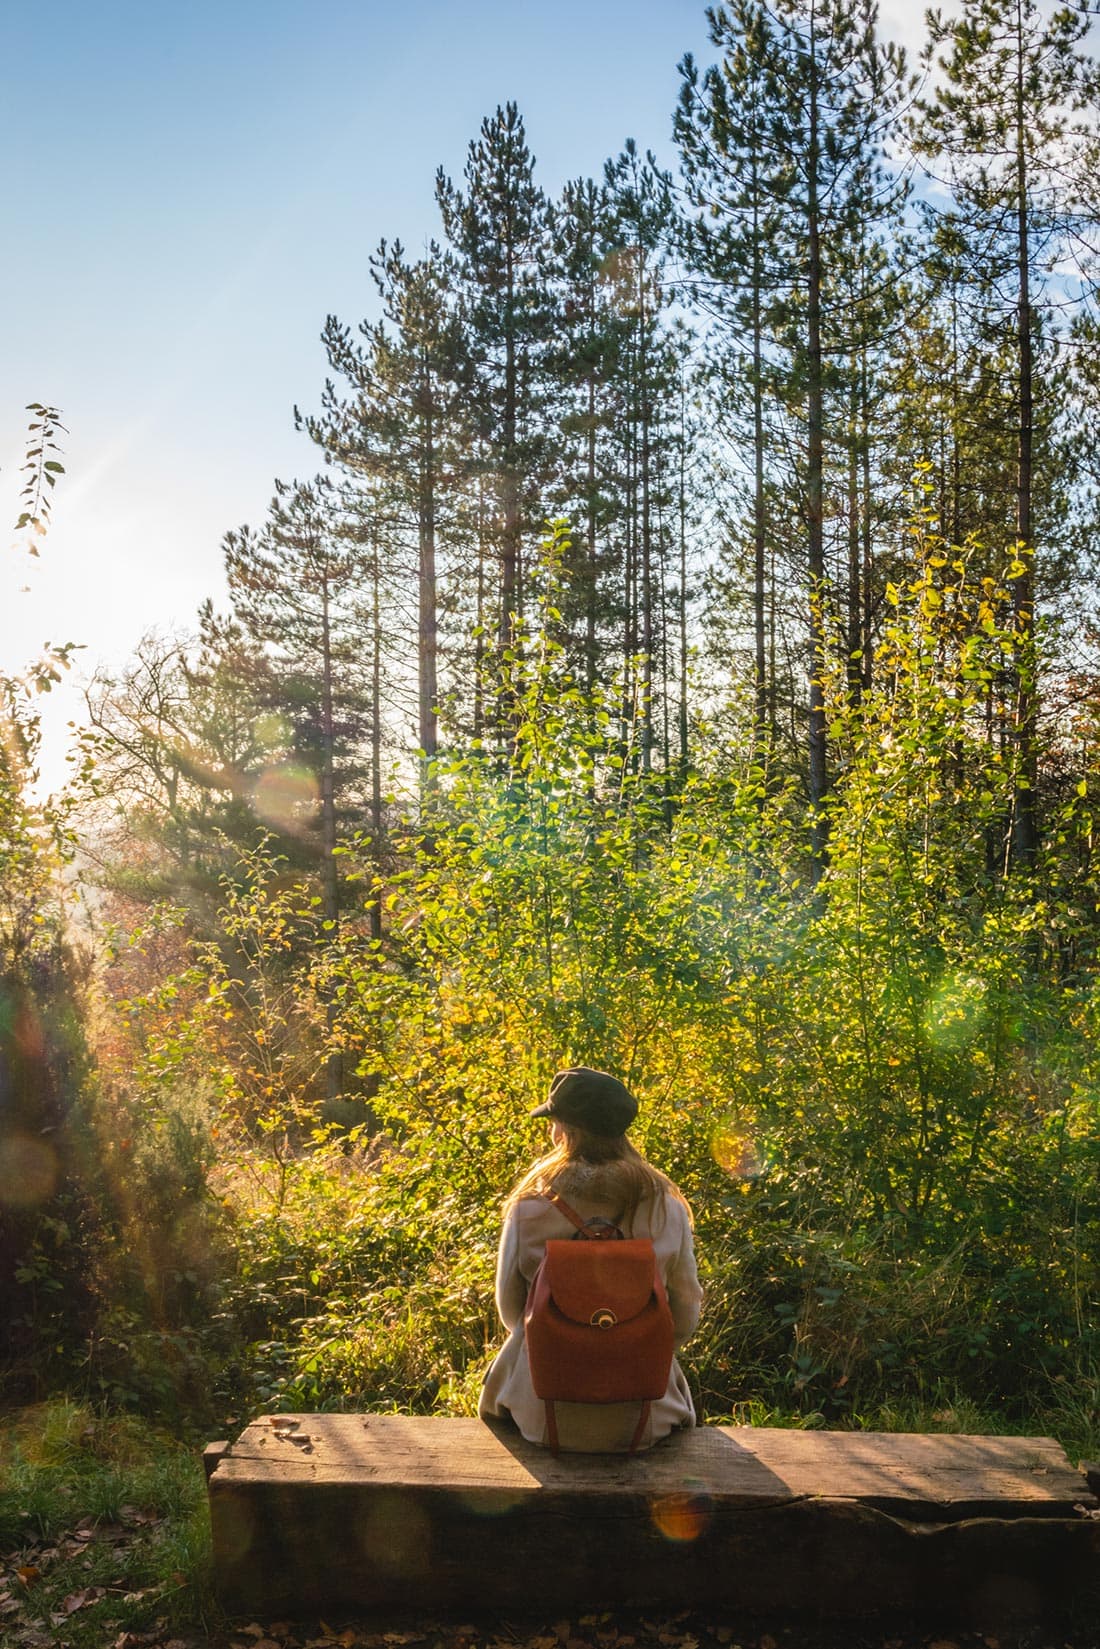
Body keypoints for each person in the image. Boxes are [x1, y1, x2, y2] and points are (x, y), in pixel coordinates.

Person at [479, 1066, 703, 1452]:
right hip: (647, 1416)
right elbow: (685, 1315)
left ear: (565, 1129)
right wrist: (627, 1340)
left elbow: (511, 1312)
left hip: (539, 1415)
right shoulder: (666, 1206)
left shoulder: (530, 1205)